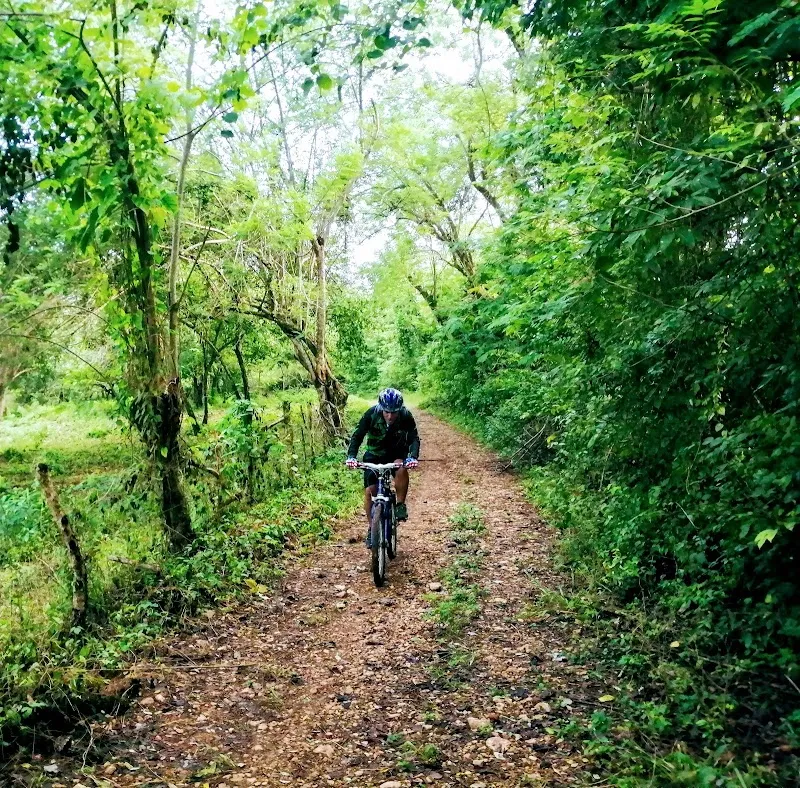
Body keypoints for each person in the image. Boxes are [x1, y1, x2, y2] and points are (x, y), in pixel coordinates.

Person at [345, 388, 420, 539]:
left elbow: (413, 438)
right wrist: (352, 456)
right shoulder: (371, 414)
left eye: (394, 412)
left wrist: (412, 457)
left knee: (401, 467)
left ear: (399, 409)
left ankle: (400, 505)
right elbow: (358, 436)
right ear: (381, 407)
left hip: (396, 453)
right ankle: (372, 528)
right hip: (374, 454)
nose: (390, 416)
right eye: (387, 411)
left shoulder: (405, 415)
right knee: (369, 491)